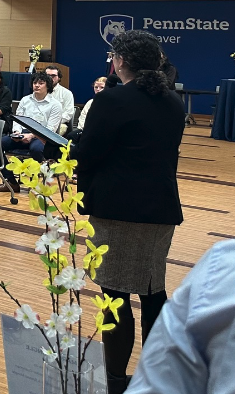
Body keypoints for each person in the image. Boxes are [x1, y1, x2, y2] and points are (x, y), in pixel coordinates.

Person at [74, 30, 184, 394]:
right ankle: (160, 375)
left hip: (119, 210)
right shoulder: (173, 102)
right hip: (161, 210)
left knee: (115, 295)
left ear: (119, 61)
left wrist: (71, 150)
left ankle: (117, 382)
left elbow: (89, 152)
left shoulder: (112, 100)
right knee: (153, 291)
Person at [122, 239, 235, 394]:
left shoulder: (221, 266)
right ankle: (115, 377)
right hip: (156, 221)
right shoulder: (222, 265)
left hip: (120, 221)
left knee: (130, 295)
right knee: (150, 292)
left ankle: (114, 378)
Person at [0, 71, 62, 193]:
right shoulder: (25, 100)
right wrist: (17, 133)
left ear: (47, 86)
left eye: (41, 83)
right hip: (22, 133)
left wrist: (32, 136)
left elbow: (50, 129)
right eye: (35, 82)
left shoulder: (55, 105)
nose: (37, 85)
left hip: (42, 136)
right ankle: (10, 181)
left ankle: (36, 183)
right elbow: (17, 119)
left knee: (36, 149)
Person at [67, 76, 107, 141]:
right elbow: (82, 119)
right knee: (71, 136)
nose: (98, 89)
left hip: (102, 133)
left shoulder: (111, 103)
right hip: (86, 131)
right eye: (96, 87)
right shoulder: (90, 102)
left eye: (102, 87)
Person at [45, 65, 75, 135]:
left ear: (59, 78)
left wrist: (52, 121)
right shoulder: (38, 92)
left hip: (59, 124)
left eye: (53, 76)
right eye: (47, 75)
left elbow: (68, 113)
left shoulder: (67, 93)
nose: (50, 78)